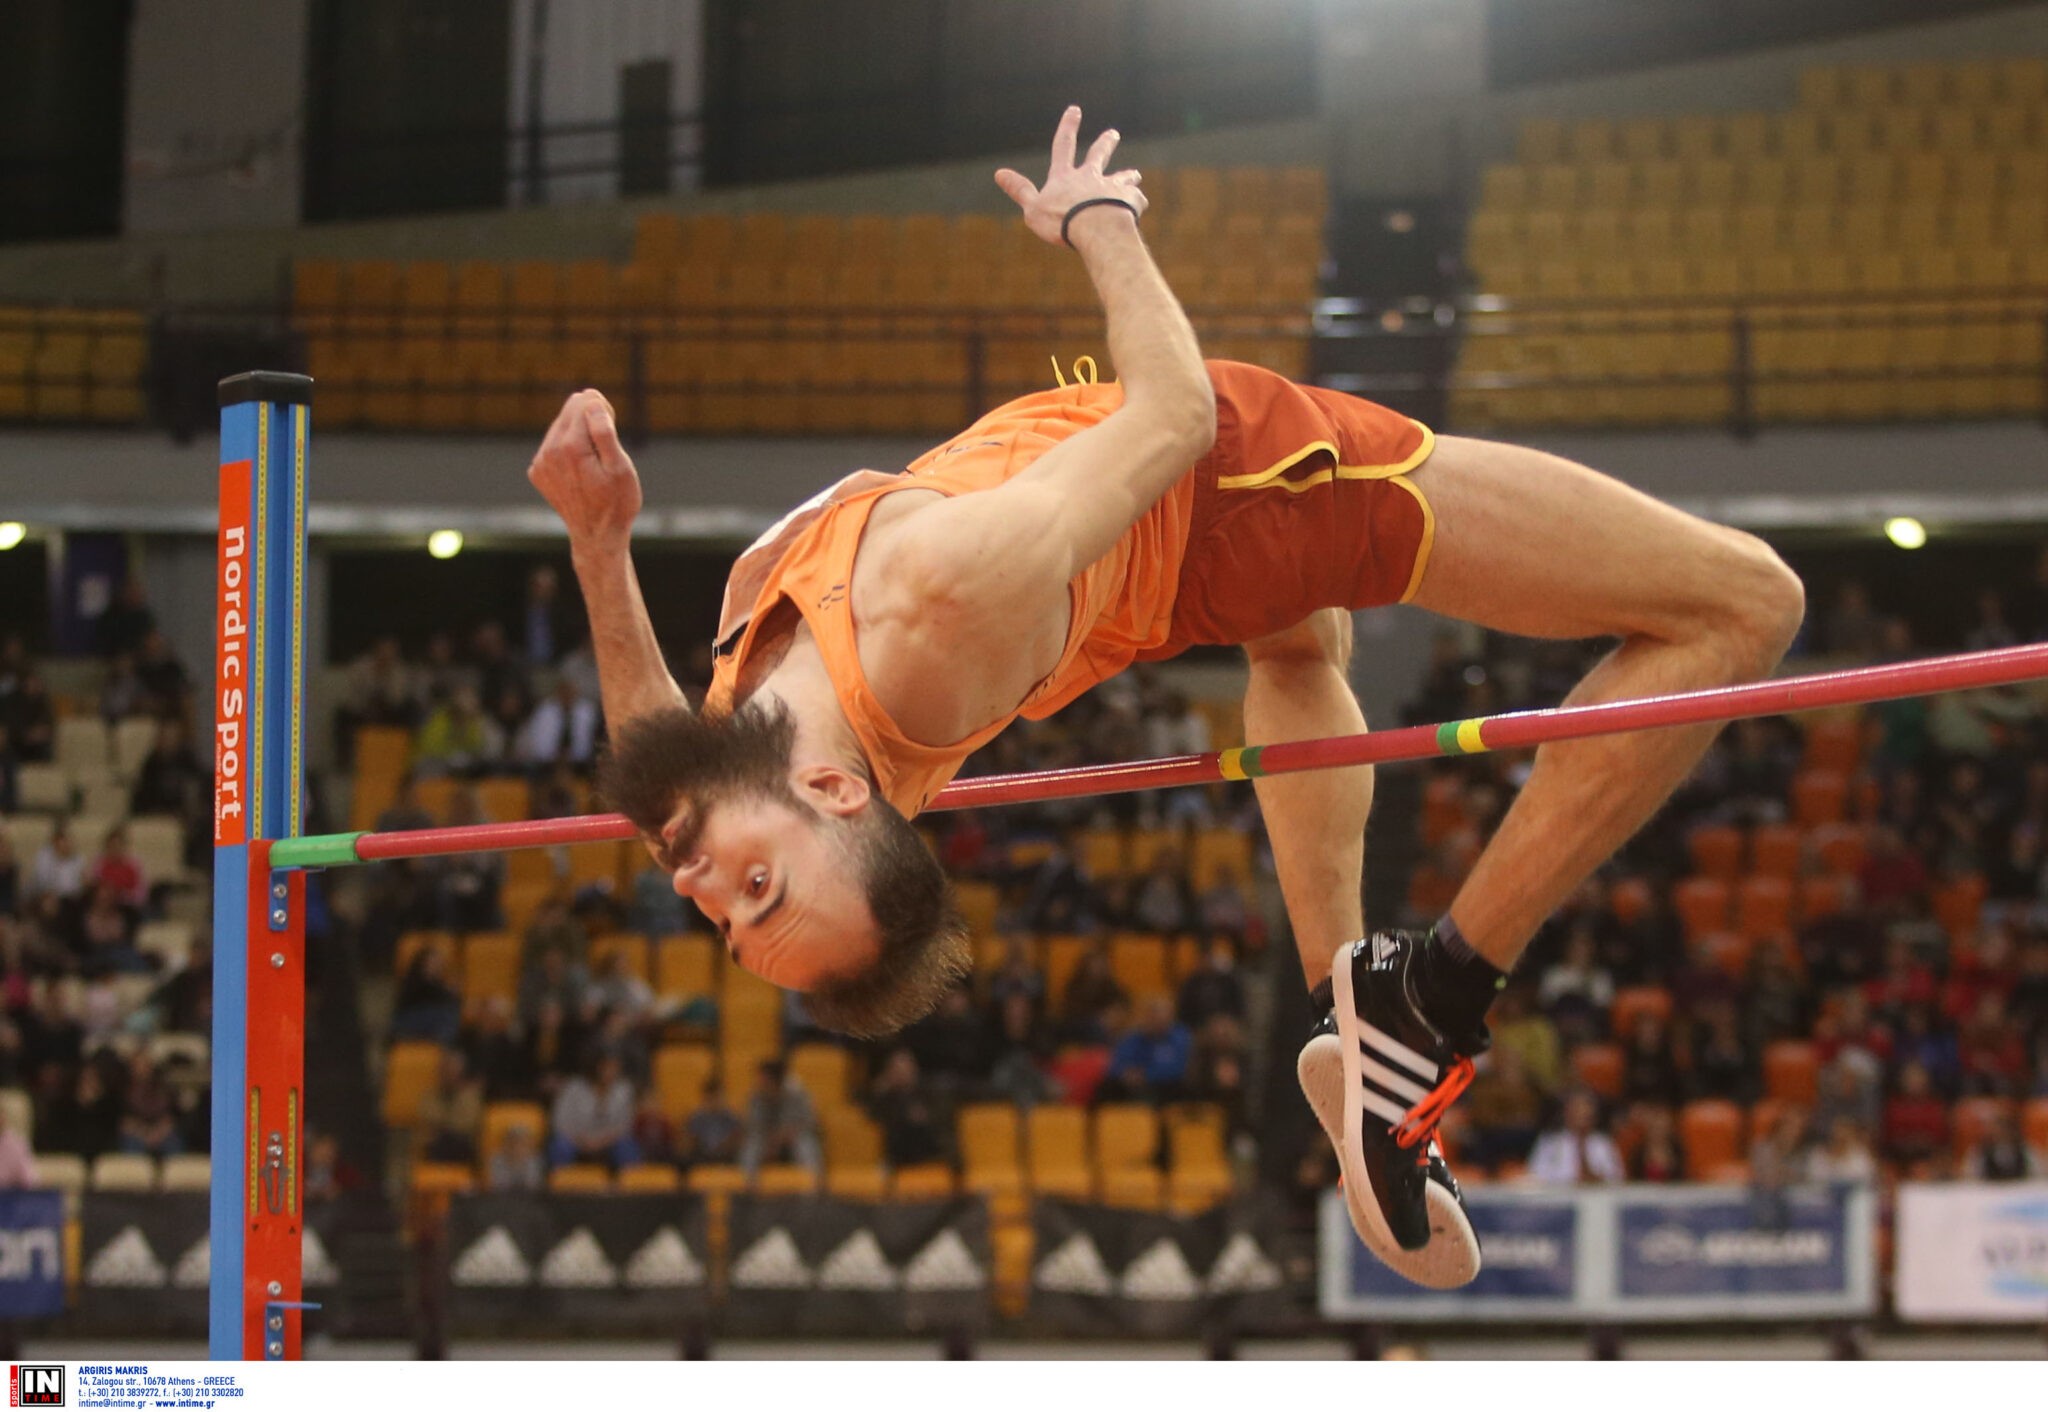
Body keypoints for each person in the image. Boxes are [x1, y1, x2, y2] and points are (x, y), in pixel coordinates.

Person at [529, 108, 1802, 1287]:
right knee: (1741, 603)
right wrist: (1099, 220)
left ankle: (1346, 1012)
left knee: (1299, 652)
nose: (698, 882)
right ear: (832, 789)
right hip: (1240, 484)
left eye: (729, 911)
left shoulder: (735, 763)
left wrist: (597, 543)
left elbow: (650, 756)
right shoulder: (933, 598)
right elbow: (1179, 413)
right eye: (752, 888)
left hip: (1143, 567)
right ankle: (1437, 995)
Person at [739, 1060, 820, 1178]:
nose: (759, 1081)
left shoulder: (797, 1093)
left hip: (793, 1135)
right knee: (752, 1144)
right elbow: (753, 1124)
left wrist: (783, 1136)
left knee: (806, 1143)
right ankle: (748, 1182)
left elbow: (808, 1122)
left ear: (774, 1080)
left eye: (763, 1078)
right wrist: (771, 1141)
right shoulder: (756, 1095)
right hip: (767, 1136)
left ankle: (813, 1182)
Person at [1526, 1089, 1625, 1185]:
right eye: (1577, 1110)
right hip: (1558, 1194)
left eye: (1586, 1111)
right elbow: (1535, 1174)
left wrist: (1595, 1179)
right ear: (1566, 1113)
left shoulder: (1603, 1143)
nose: (1582, 1115)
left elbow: (1617, 1177)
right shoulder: (1550, 1141)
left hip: (1597, 1194)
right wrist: (1572, 1179)